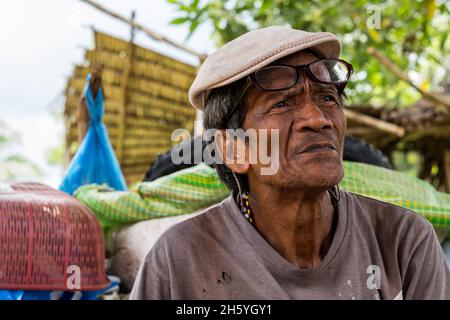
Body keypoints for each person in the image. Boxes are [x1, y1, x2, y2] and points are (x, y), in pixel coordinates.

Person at [130, 26, 449, 300]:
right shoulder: (179, 260)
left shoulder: (404, 242)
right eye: (282, 103)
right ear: (233, 150)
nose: (318, 119)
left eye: (327, 98)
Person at [59, 67, 127, 195]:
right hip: (99, 135)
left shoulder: (85, 98)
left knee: (82, 171)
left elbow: (83, 117)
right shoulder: (99, 95)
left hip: (89, 134)